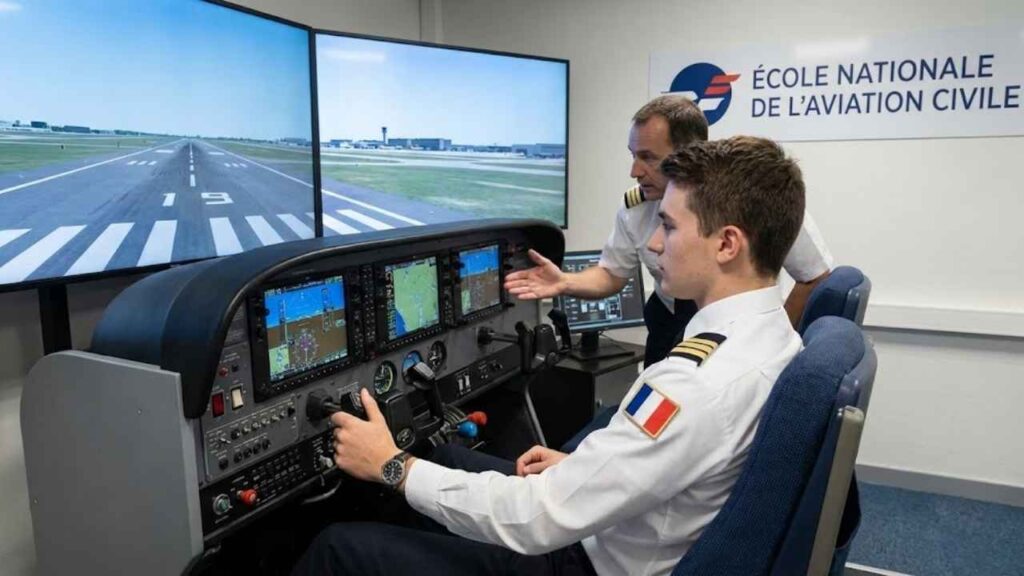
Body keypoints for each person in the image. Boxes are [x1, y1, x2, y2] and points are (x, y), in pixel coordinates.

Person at [292, 136, 807, 576]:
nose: (652, 243)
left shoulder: (696, 384)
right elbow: (682, 462)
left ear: (727, 245)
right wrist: (593, 467)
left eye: (669, 227)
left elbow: (537, 520)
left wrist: (390, 468)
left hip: (580, 560)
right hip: (627, 526)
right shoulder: (776, 336)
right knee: (440, 457)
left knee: (337, 546)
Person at [504, 95, 832, 367]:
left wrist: (768, 349)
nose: (634, 171)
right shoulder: (634, 209)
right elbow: (612, 274)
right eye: (633, 156)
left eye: (648, 158)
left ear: (687, 153)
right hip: (670, 320)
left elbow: (814, 276)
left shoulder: (755, 197)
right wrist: (565, 282)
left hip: (738, 327)